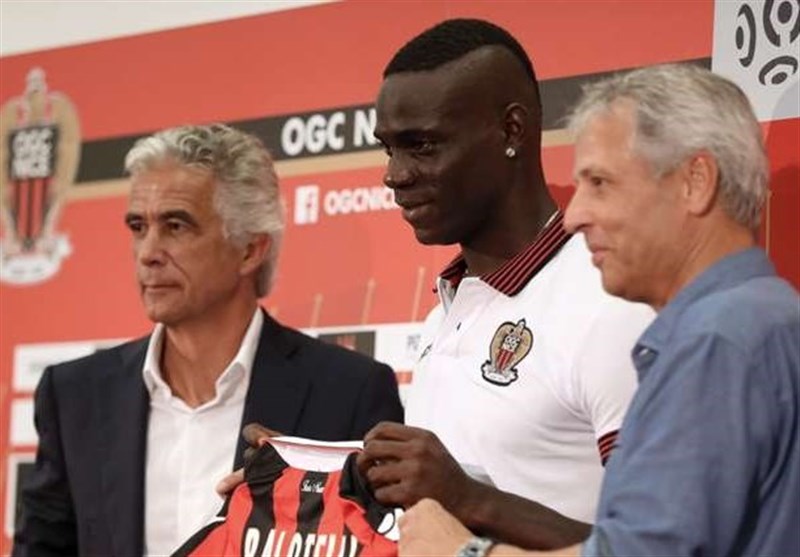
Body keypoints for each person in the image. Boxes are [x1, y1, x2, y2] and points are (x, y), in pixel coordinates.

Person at [397, 63, 800, 557]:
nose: (575, 214)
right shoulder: (752, 321)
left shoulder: (719, 340)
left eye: (601, 183)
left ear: (695, 182)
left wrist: (464, 553)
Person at [12, 124, 404, 557]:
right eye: (139, 226)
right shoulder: (75, 395)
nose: (148, 252)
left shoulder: (348, 391)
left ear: (250, 249)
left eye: (175, 226)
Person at [352, 18, 654, 550]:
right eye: (389, 149)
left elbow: (661, 546)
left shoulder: (611, 301)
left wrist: (471, 500)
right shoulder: (445, 313)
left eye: (422, 145)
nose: (395, 174)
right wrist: (305, 478)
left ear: (512, 131)